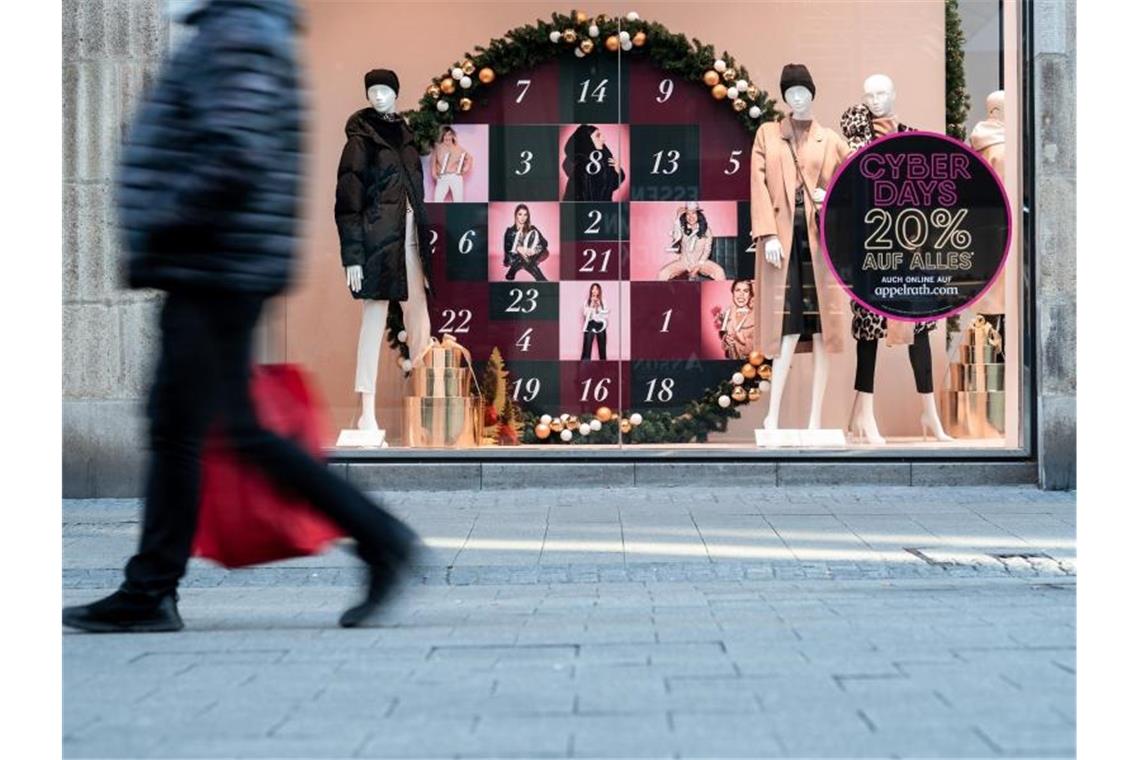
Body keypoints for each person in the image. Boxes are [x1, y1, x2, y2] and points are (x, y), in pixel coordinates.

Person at [62, 0, 418, 634]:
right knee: (181, 424)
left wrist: (164, 221)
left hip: (213, 261)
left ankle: (379, 537)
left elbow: (234, 153)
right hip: (211, 259)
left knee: (229, 428)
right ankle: (151, 587)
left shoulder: (240, 34)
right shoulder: (238, 32)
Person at [657, 202, 726, 281]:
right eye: (688, 214)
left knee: (719, 272)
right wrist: (677, 218)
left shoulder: (706, 230)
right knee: (663, 273)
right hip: (684, 262)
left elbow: (707, 250)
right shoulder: (682, 228)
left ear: (698, 215)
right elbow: (676, 236)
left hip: (700, 262)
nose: (691, 217)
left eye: (693, 213)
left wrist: (698, 266)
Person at [562, 124, 625, 201]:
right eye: (598, 135)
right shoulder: (582, 167)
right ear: (587, 141)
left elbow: (611, 187)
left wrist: (617, 170)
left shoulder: (604, 160)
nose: (603, 139)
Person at [502, 203, 550, 281]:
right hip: (516, 256)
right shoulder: (510, 231)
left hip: (530, 255)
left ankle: (514, 268)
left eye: (525, 215)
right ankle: (541, 279)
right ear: (515, 215)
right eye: (520, 214)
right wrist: (518, 248)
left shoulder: (532, 228)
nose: (522, 217)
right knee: (525, 258)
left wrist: (534, 250)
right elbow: (507, 248)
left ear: (528, 216)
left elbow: (544, 242)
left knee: (543, 252)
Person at [714, 279, 756, 360]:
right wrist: (726, 339)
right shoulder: (728, 313)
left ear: (750, 295)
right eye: (737, 290)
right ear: (733, 293)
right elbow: (724, 335)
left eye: (746, 291)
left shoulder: (756, 316)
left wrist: (743, 340)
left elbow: (763, 344)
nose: (741, 295)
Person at [430, 126, 472, 202]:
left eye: (449, 134)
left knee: (458, 201)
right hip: (442, 177)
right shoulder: (438, 147)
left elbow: (469, 158)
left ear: (453, 136)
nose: (447, 137)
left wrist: (465, 169)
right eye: (445, 135)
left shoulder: (458, 148)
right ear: (442, 136)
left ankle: (458, 213)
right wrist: (434, 173)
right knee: (437, 200)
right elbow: (433, 161)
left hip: (455, 177)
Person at [580, 283, 609, 361]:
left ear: (599, 291)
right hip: (591, 323)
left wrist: (598, 308)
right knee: (587, 347)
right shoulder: (587, 302)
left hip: (600, 324)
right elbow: (586, 316)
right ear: (591, 291)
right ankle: (584, 367)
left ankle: (603, 368)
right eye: (593, 289)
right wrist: (591, 306)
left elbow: (605, 316)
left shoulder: (603, 301)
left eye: (596, 289)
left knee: (602, 348)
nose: (594, 291)